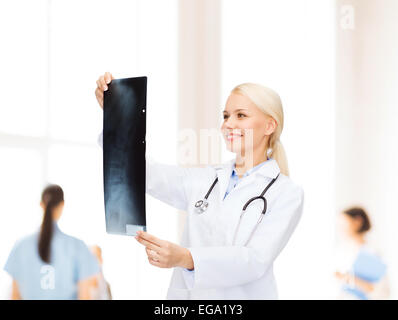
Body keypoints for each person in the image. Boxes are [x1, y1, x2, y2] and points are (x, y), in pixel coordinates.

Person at [95, 72, 304, 299]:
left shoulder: (286, 193)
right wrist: (118, 115)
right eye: (225, 116)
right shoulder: (207, 179)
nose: (228, 124)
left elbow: (254, 260)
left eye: (241, 115)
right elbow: (145, 174)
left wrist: (185, 258)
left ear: (269, 125)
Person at [4, 184, 100, 300]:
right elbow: (84, 297)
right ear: (62, 205)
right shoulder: (78, 247)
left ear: (41, 205)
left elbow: (15, 296)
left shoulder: (21, 246)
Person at [334, 206, 390, 300]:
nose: (340, 228)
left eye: (343, 223)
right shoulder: (341, 250)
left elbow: (383, 292)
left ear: (358, 221)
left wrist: (352, 280)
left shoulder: (372, 252)